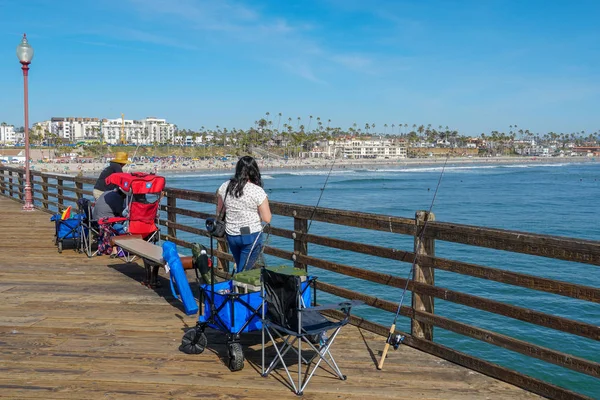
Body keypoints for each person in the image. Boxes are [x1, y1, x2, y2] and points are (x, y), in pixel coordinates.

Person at [216, 156, 272, 272]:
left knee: (241, 265)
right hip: (250, 234)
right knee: (244, 271)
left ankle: (240, 287)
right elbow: (267, 218)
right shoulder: (256, 190)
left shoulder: (225, 186)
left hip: (231, 234)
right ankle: (238, 288)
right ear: (254, 171)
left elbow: (220, 210)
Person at [93, 188, 127, 257]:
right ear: (123, 195)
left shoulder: (107, 192)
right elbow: (120, 213)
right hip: (105, 222)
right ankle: (119, 247)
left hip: (94, 220)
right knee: (119, 225)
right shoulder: (118, 198)